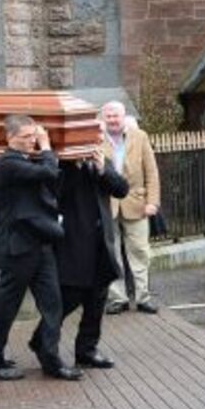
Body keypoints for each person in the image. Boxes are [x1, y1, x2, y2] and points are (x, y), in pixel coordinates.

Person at [0, 115, 78, 381]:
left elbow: (52, 180)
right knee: (6, 307)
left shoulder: (27, 161)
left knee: (53, 304)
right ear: (9, 138)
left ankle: (51, 359)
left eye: (34, 135)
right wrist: (46, 146)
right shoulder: (6, 163)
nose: (32, 141)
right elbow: (49, 172)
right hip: (18, 248)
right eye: (26, 136)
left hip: (40, 243)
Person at [55, 136, 129, 371]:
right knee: (70, 297)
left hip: (101, 242)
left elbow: (121, 189)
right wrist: (74, 166)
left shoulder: (101, 161)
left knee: (97, 299)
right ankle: (42, 341)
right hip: (75, 243)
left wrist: (102, 169)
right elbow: (57, 194)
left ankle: (87, 350)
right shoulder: (62, 165)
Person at [100, 101, 161, 315]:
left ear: (124, 116)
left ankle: (143, 297)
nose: (112, 120)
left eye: (116, 115)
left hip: (137, 202)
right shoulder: (96, 139)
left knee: (140, 251)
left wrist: (152, 202)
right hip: (107, 203)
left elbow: (151, 172)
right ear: (103, 118)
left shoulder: (140, 136)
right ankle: (118, 298)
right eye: (108, 116)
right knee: (112, 252)